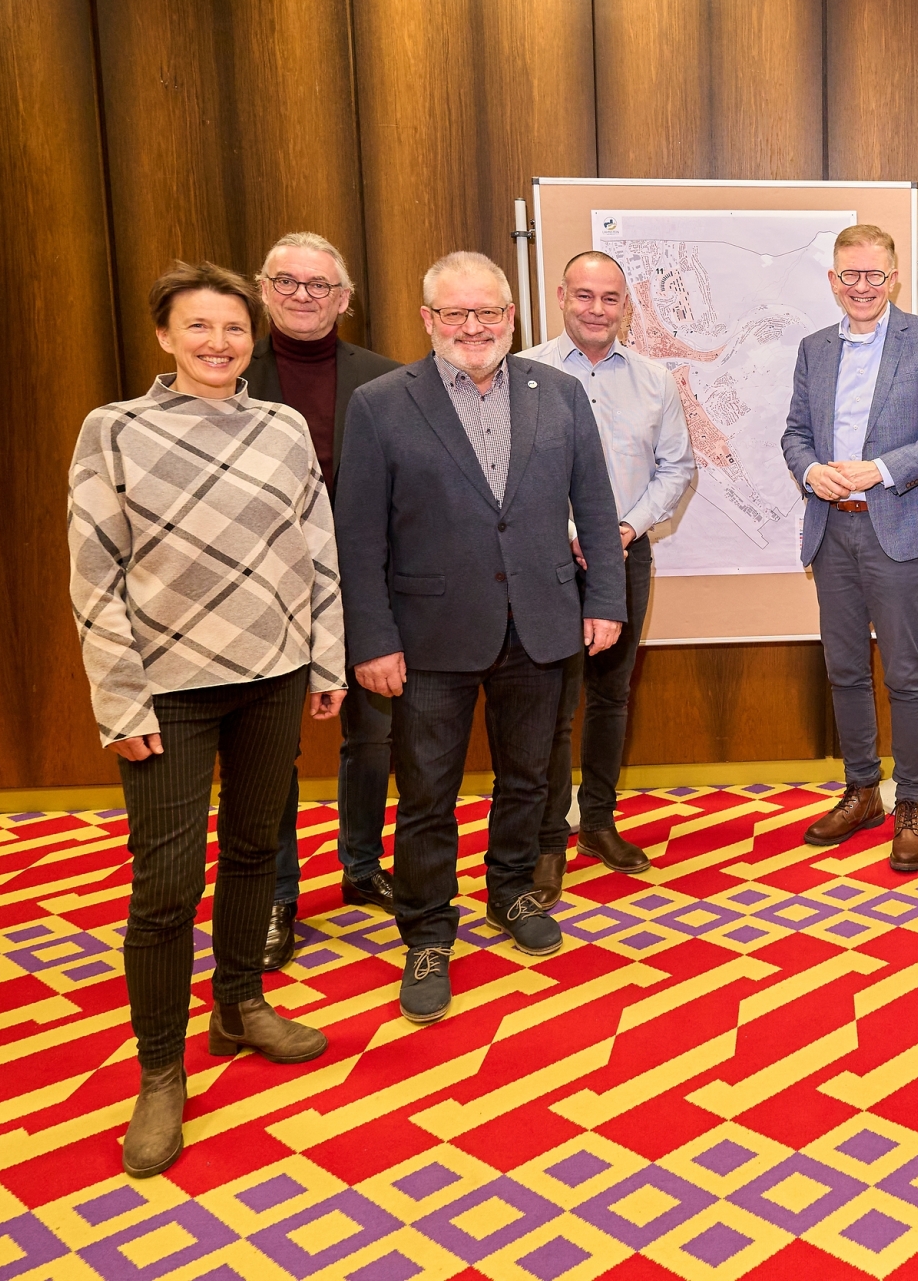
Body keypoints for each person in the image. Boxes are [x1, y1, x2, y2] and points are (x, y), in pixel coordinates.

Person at [68, 261, 345, 1178]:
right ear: (165, 336)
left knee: (257, 851)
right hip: (168, 690)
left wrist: (326, 658)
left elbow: (317, 546)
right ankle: (158, 1071)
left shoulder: (281, 426)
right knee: (164, 887)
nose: (219, 344)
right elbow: (95, 578)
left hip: (273, 675)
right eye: (199, 328)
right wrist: (119, 698)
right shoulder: (115, 430)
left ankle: (239, 1004)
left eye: (233, 329)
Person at [336, 251, 628, 1025]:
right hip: (426, 637)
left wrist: (604, 600)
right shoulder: (380, 404)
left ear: (511, 317)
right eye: (456, 313)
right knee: (426, 795)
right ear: (428, 319)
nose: (475, 327)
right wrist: (370, 640)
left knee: (529, 781)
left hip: (541, 624)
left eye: (489, 312)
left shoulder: (559, 394)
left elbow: (595, 508)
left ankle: (510, 892)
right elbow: (357, 538)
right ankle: (429, 930)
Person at [520, 251, 696, 902]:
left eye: (610, 298)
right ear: (562, 296)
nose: (597, 308)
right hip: (545, 558)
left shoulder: (656, 380)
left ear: (627, 306)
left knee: (611, 693)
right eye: (585, 295)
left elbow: (677, 470)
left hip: (625, 553)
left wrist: (621, 530)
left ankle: (596, 819)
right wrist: (571, 535)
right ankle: (545, 839)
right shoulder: (524, 373)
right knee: (550, 702)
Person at [780, 224, 918, 870]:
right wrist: (810, 472)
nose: (861, 287)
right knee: (845, 667)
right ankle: (862, 790)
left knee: (908, 674)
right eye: (849, 276)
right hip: (832, 529)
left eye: (873, 275)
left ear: (894, 279)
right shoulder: (813, 349)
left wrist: (877, 469)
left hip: (900, 528)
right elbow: (795, 433)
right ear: (833, 280)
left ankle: (910, 796)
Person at [249, 232, 402, 971]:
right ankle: (278, 890)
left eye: (320, 285)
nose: (304, 295)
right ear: (263, 288)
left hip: (363, 585)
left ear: (344, 300)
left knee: (371, 737)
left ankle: (362, 861)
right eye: (289, 281)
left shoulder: (387, 379)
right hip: (260, 594)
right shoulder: (223, 373)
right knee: (269, 747)